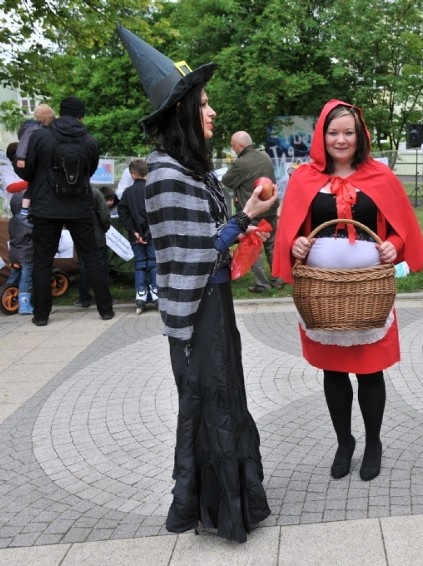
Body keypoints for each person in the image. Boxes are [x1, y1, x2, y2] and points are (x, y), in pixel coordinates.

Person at [118, 23, 274, 543]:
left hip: (215, 301)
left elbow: (212, 237)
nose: (210, 111)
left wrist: (242, 220)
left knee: (224, 397)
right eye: (203, 104)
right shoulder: (165, 174)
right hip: (195, 308)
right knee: (207, 403)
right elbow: (196, 250)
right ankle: (218, 511)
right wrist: (245, 217)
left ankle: (236, 504)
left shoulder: (196, 171)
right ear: (182, 112)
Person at [272, 99, 423, 481]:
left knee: (370, 371)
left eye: (348, 133)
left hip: (369, 296)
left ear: (360, 137)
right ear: (321, 136)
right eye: (333, 132)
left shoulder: (381, 177)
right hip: (322, 298)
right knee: (334, 372)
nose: (340, 140)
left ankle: (373, 442)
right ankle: (345, 441)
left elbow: (398, 226)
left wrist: (393, 243)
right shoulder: (304, 178)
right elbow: (291, 231)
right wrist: (296, 245)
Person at [13, 96, 114, 326]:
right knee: (91, 257)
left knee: (42, 261)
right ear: (82, 116)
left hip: (45, 208)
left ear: (60, 112)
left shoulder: (40, 137)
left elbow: (26, 171)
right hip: (79, 206)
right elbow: (89, 171)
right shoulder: (90, 142)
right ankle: (106, 310)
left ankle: (41, 316)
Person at [222, 131, 283, 292]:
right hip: (270, 208)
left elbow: (227, 181)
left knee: (253, 247)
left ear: (241, 146)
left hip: (253, 212)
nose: (232, 148)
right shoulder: (265, 157)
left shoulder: (241, 163)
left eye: (233, 145)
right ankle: (279, 279)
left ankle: (261, 284)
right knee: (272, 245)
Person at [118, 159, 157, 312]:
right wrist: (147, 233)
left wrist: (134, 232)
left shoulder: (127, 193)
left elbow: (123, 213)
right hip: (152, 234)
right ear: (147, 172)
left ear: (132, 175)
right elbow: (156, 213)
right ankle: (156, 291)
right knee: (154, 262)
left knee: (140, 263)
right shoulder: (152, 190)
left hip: (135, 235)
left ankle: (141, 293)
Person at [14, 104, 56, 225]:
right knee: (35, 183)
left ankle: (25, 211)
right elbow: (23, 144)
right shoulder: (33, 128)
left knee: (34, 184)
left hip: (31, 163)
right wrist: (21, 158)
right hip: (26, 161)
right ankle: (25, 211)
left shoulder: (40, 128)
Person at [74, 184, 111, 308]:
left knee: (84, 268)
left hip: (81, 237)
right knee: (102, 267)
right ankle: (104, 298)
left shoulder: (71, 193)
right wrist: (104, 228)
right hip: (97, 235)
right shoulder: (95, 193)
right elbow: (104, 214)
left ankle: (84, 298)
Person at [6, 192, 35, 315]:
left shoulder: (12, 220)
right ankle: (24, 305)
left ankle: (6, 294)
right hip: (26, 254)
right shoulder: (26, 221)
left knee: (13, 276)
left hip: (14, 253)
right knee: (25, 280)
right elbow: (33, 232)